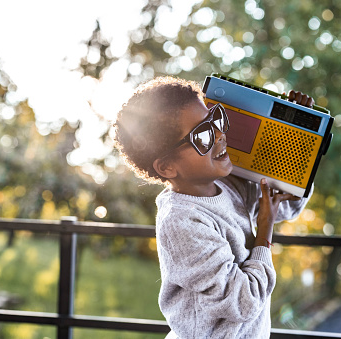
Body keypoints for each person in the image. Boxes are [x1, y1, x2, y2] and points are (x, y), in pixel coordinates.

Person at [114, 76, 314, 338]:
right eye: (202, 134)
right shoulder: (182, 221)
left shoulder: (229, 187)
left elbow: (286, 205)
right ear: (166, 167)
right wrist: (264, 230)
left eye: (214, 119)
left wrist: (298, 131)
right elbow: (244, 301)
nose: (220, 135)